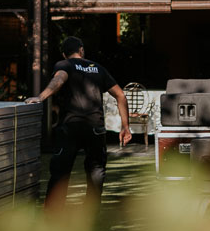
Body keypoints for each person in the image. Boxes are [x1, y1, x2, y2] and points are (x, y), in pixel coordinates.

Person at [26, 36, 131, 210]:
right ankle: (91, 212)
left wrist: (41, 97)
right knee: (96, 171)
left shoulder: (64, 65)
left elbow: (58, 80)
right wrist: (125, 126)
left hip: (71, 127)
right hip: (95, 128)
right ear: (81, 50)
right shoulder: (98, 68)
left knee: (60, 171)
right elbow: (121, 95)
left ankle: (53, 212)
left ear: (64, 54)